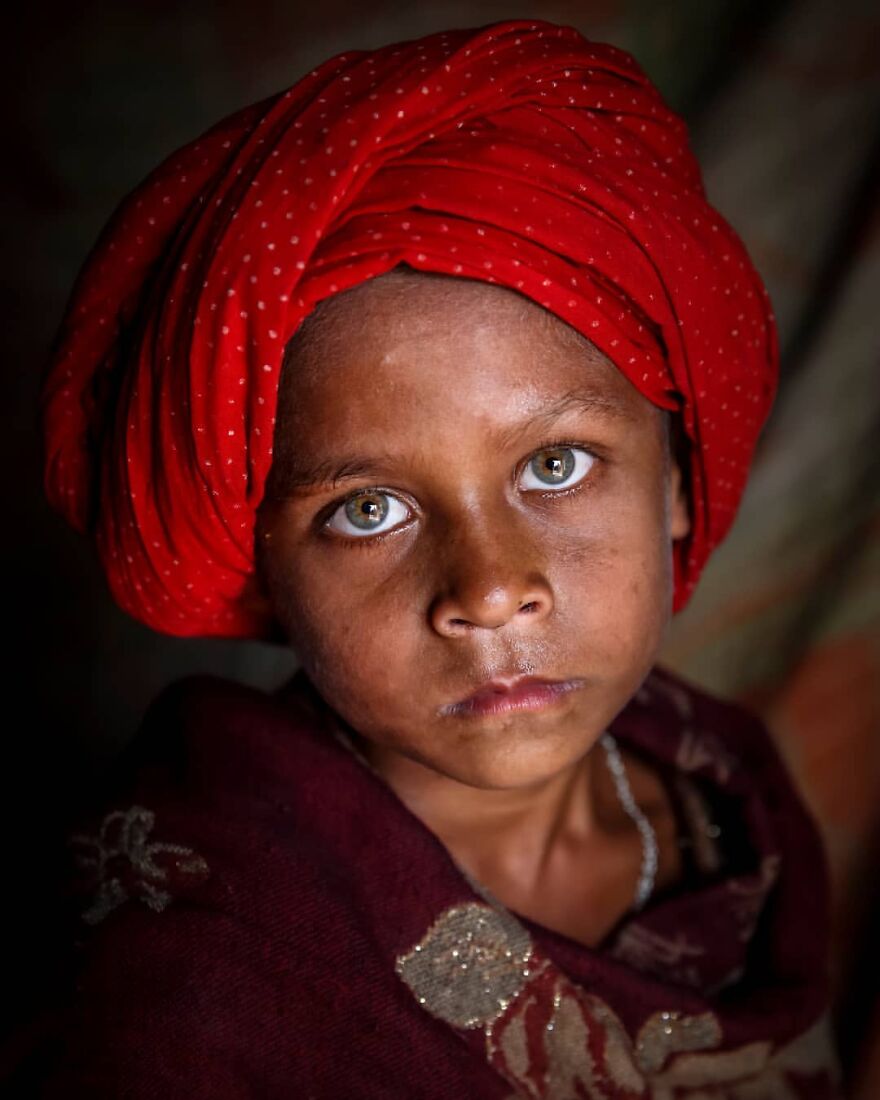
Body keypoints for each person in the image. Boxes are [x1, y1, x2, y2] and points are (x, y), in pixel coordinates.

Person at [9, 17, 842, 1098]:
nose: (491, 588)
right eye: (368, 509)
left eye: (554, 464)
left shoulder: (721, 786)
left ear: (677, 479)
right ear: (258, 557)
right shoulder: (203, 976)